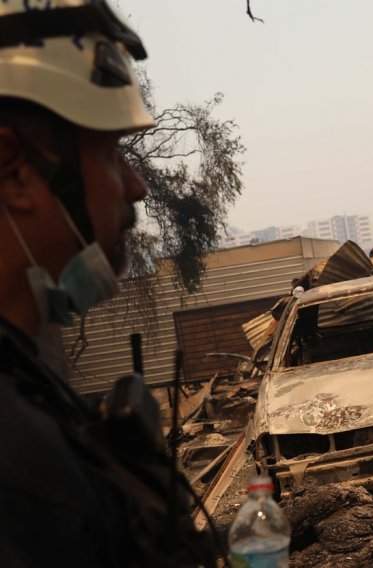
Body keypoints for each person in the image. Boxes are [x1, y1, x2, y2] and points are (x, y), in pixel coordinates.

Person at [0, 2, 216, 565]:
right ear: (14, 170)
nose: (137, 186)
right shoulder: (18, 464)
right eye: (111, 151)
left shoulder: (23, 381)